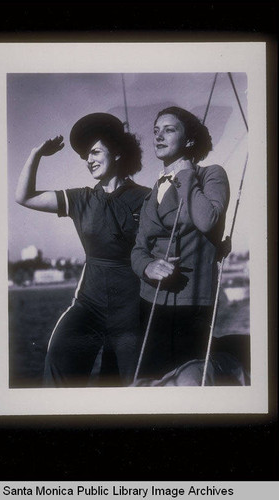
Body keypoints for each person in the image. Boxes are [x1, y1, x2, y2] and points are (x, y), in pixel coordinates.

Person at [15, 113, 151, 387]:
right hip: (88, 306)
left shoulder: (147, 197)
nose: (88, 160)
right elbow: (24, 196)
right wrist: (36, 154)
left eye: (95, 152)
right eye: (85, 156)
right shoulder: (81, 199)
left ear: (117, 152)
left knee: (128, 386)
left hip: (133, 310)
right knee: (59, 362)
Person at [131, 106, 234, 385]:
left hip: (192, 303)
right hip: (149, 300)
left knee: (189, 382)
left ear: (189, 141)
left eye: (169, 129)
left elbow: (207, 221)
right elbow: (139, 248)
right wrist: (148, 266)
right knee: (152, 383)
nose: (158, 136)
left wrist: (186, 175)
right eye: (155, 130)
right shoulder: (155, 189)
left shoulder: (211, 174)